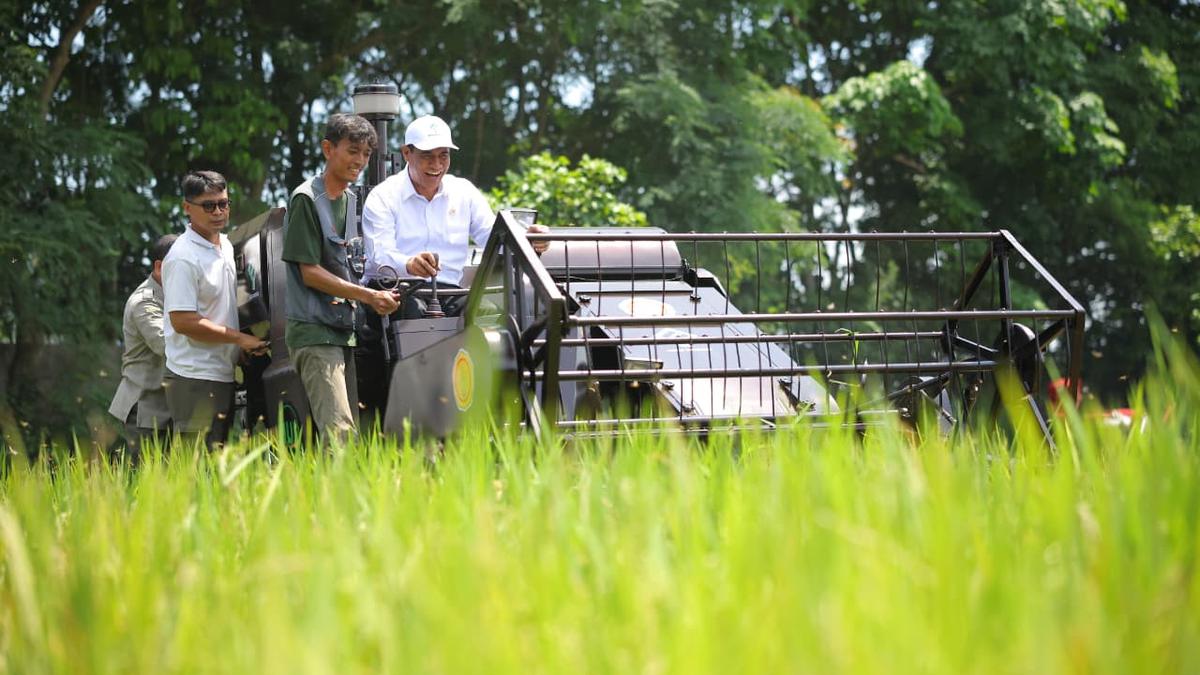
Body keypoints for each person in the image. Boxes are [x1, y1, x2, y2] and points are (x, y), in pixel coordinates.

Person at [282, 114, 399, 442]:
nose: (360, 161)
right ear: (327, 149)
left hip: (343, 334)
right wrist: (368, 297)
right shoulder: (306, 199)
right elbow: (310, 273)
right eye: (352, 151)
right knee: (341, 436)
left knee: (349, 435)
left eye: (366, 153)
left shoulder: (350, 200)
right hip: (315, 334)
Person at [361, 114, 549, 296]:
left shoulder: (464, 192)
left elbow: (495, 238)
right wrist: (409, 264)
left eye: (443, 155)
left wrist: (529, 241)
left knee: (491, 317)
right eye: (427, 155)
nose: (436, 165)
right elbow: (379, 256)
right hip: (395, 291)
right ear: (407, 153)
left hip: (449, 293)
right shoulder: (383, 196)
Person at [163, 170, 267, 450]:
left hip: (221, 373)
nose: (219, 212)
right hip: (194, 378)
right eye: (209, 206)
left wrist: (238, 347)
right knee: (194, 471)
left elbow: (221, 306)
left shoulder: (224, 245)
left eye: (224, 203)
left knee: (215, 465)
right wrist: (238, 338)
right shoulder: (183, 257)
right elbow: (183, 321)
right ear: (187, 208)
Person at [108, 233, 177, 460]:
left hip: (167, 405)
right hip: (145, 408)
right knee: (145, 484)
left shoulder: (176, 296)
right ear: (159, 267)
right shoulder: (144, 302)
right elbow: (167, 346)